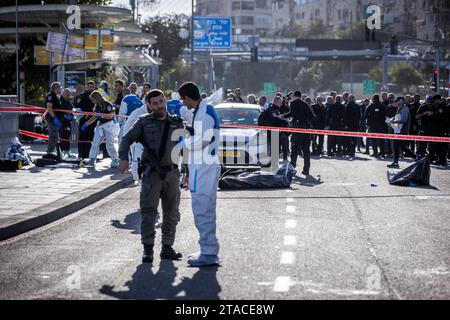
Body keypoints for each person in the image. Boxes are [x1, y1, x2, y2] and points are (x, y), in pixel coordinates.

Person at [119, 89, 184, 263]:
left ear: (165, 101)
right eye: (154, 103)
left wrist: (188, 171)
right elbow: (126, 139)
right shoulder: (143, 123)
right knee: (149, 212)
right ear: (149, 105)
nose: (159, 105)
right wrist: (123, 158)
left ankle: (167, 247)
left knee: (171, 212)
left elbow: (186, 148)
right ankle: (148, 249)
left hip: (172, 173)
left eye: (161, 101)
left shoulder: (177, 123)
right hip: (151, 174)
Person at [178, 82, 221, 267]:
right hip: (202, 166)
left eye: (183, 99)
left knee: (202, 209)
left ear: (188, 98)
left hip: (204, 166)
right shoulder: (202, 110)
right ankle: (207, 248)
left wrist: (181, 145)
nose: (183, 103)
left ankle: (209, 252)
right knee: (204, 208)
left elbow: (203, 139)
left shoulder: (204, 113)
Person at [81, 91, 120, 168]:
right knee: (95, 143)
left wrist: (101, 116)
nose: (92, 101)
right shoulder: (97, 106)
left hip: (110, 126)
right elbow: (95, 117)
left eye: (93, 99)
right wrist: (86, 124)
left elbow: (111, 116)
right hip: (101, 126)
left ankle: (115, 160)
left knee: (109, 144)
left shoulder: (107, 104)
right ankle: (92, 160)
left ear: (96, 98)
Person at [282, 90, 314, 175]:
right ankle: (306, 170)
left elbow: (291, 113)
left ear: (295, 96)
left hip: (297, 129)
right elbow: (312, 116)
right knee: (306, 150)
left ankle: (292, 168)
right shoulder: (305, 104)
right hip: (306, 129)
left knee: (295, 149)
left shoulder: (293, 103)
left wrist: (283, 116)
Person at [258, 96, 289, 161]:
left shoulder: (271, 109)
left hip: (271, 132)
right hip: (273, 132)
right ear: (276, 102)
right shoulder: (274, 110)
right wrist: (286, 122)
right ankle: (273, 167)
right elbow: (276, 120)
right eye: (280, 102)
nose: (281, 103)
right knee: (274, 152)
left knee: (273, 151)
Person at [387, 97, 413, 168]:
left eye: (397, 101)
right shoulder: (399, 108)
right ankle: (395, 163)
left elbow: (404, 120)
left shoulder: (404, 109)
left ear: (401, 101)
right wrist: (392, 120)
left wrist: (393, 121)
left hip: (402, 131)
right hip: (398, 131)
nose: (395, 103)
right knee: (396, 147)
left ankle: (416, 157)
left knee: (402, 147)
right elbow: (398, 119)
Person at [75, 81, 96, 160]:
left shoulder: (95, 95)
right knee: (82, 137)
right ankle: (81, 155)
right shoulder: (82, 95)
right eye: (90, 86)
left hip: (93, 119)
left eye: (93, 87)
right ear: (86, 87)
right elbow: (78, 106)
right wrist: (84, 114)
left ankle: (88, 155)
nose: (91, 88)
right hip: (84, 119)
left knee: (91, 137)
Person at [428, 94, 449, 166]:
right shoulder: (436, 107)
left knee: (442, 146)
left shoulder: (443, 107)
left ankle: (442, 160)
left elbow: (441, 117)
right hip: (435, 130)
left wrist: (433, 115)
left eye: (436, 100)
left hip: (441, 130)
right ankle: (437, 159)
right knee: (435, 145)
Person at [45, 82, 64, 157]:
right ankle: (49, 153)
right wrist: (55, 118)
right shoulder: (51, 95)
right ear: (56, 88)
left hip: (55, 119)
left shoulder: (56, 96)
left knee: (56, 136)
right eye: (60, 87)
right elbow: (49, 108)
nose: (61, 89)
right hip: (52, 119)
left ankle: (56, 152)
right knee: (53, 136)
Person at [59, 88, 75, 157]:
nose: (68, 96)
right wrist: (64, 116)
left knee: (67, 137)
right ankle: (61, 151)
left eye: (69, 95)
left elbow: (72, 110)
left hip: (68, 122)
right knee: (62, 137)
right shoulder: (59, 101)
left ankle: (67, 151)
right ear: (63, 94)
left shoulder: (69, 102)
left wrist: (71, 116)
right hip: (61, 122)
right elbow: (58, 111)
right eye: (67, 95)